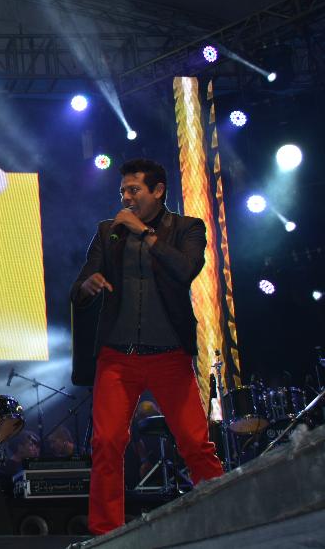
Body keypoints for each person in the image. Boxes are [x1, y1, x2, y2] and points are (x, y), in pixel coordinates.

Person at [71, 158, 223, 535]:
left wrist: (144, 233)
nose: (126, 197)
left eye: (134, 190)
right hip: (118, 357)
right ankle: (105, 532)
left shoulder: (187, 228)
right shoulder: (108, 231)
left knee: (195, 443)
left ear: (157, 191)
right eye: (123, 190)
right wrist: (88, 286)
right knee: (107, 442)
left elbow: (186, 269)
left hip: (168, 355)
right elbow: (80, 288)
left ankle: (226, 516)